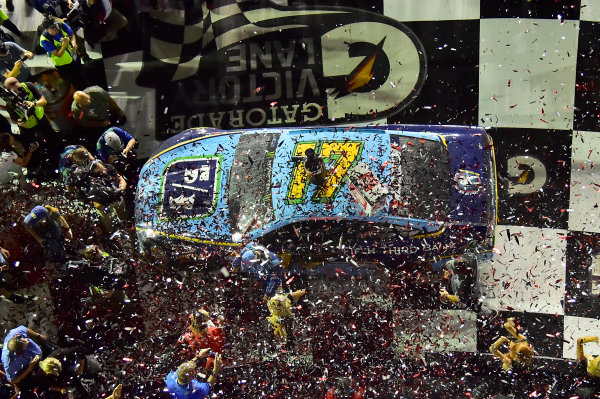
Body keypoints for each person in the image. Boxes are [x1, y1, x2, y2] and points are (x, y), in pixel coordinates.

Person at [39, 17, 83, 88]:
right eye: (52, 28)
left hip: (73, 55)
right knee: (71, 79)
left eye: (55, 26)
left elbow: (72, 35)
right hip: (63, 64)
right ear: (47, 29)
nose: (56, 30)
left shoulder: (62, 25)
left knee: (79, 70)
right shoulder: (45, 39)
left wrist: (73, 43)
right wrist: (64, 44)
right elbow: (58, 54)